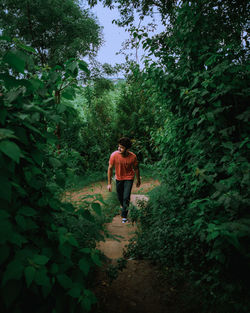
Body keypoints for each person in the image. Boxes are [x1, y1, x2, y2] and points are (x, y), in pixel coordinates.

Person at [107, 137, 141, 223]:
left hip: (129, 178)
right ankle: (125, 207)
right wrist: (109, 183)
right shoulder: (114, 155)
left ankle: (124, 216)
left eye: (122, 147)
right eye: (119, 146)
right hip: (118, 178)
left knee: (126, 197)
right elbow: (110, 169)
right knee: (120, 197)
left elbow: (136, 168)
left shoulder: (133, 157)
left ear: (127, 149)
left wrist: (138, 180)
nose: (119, 149)